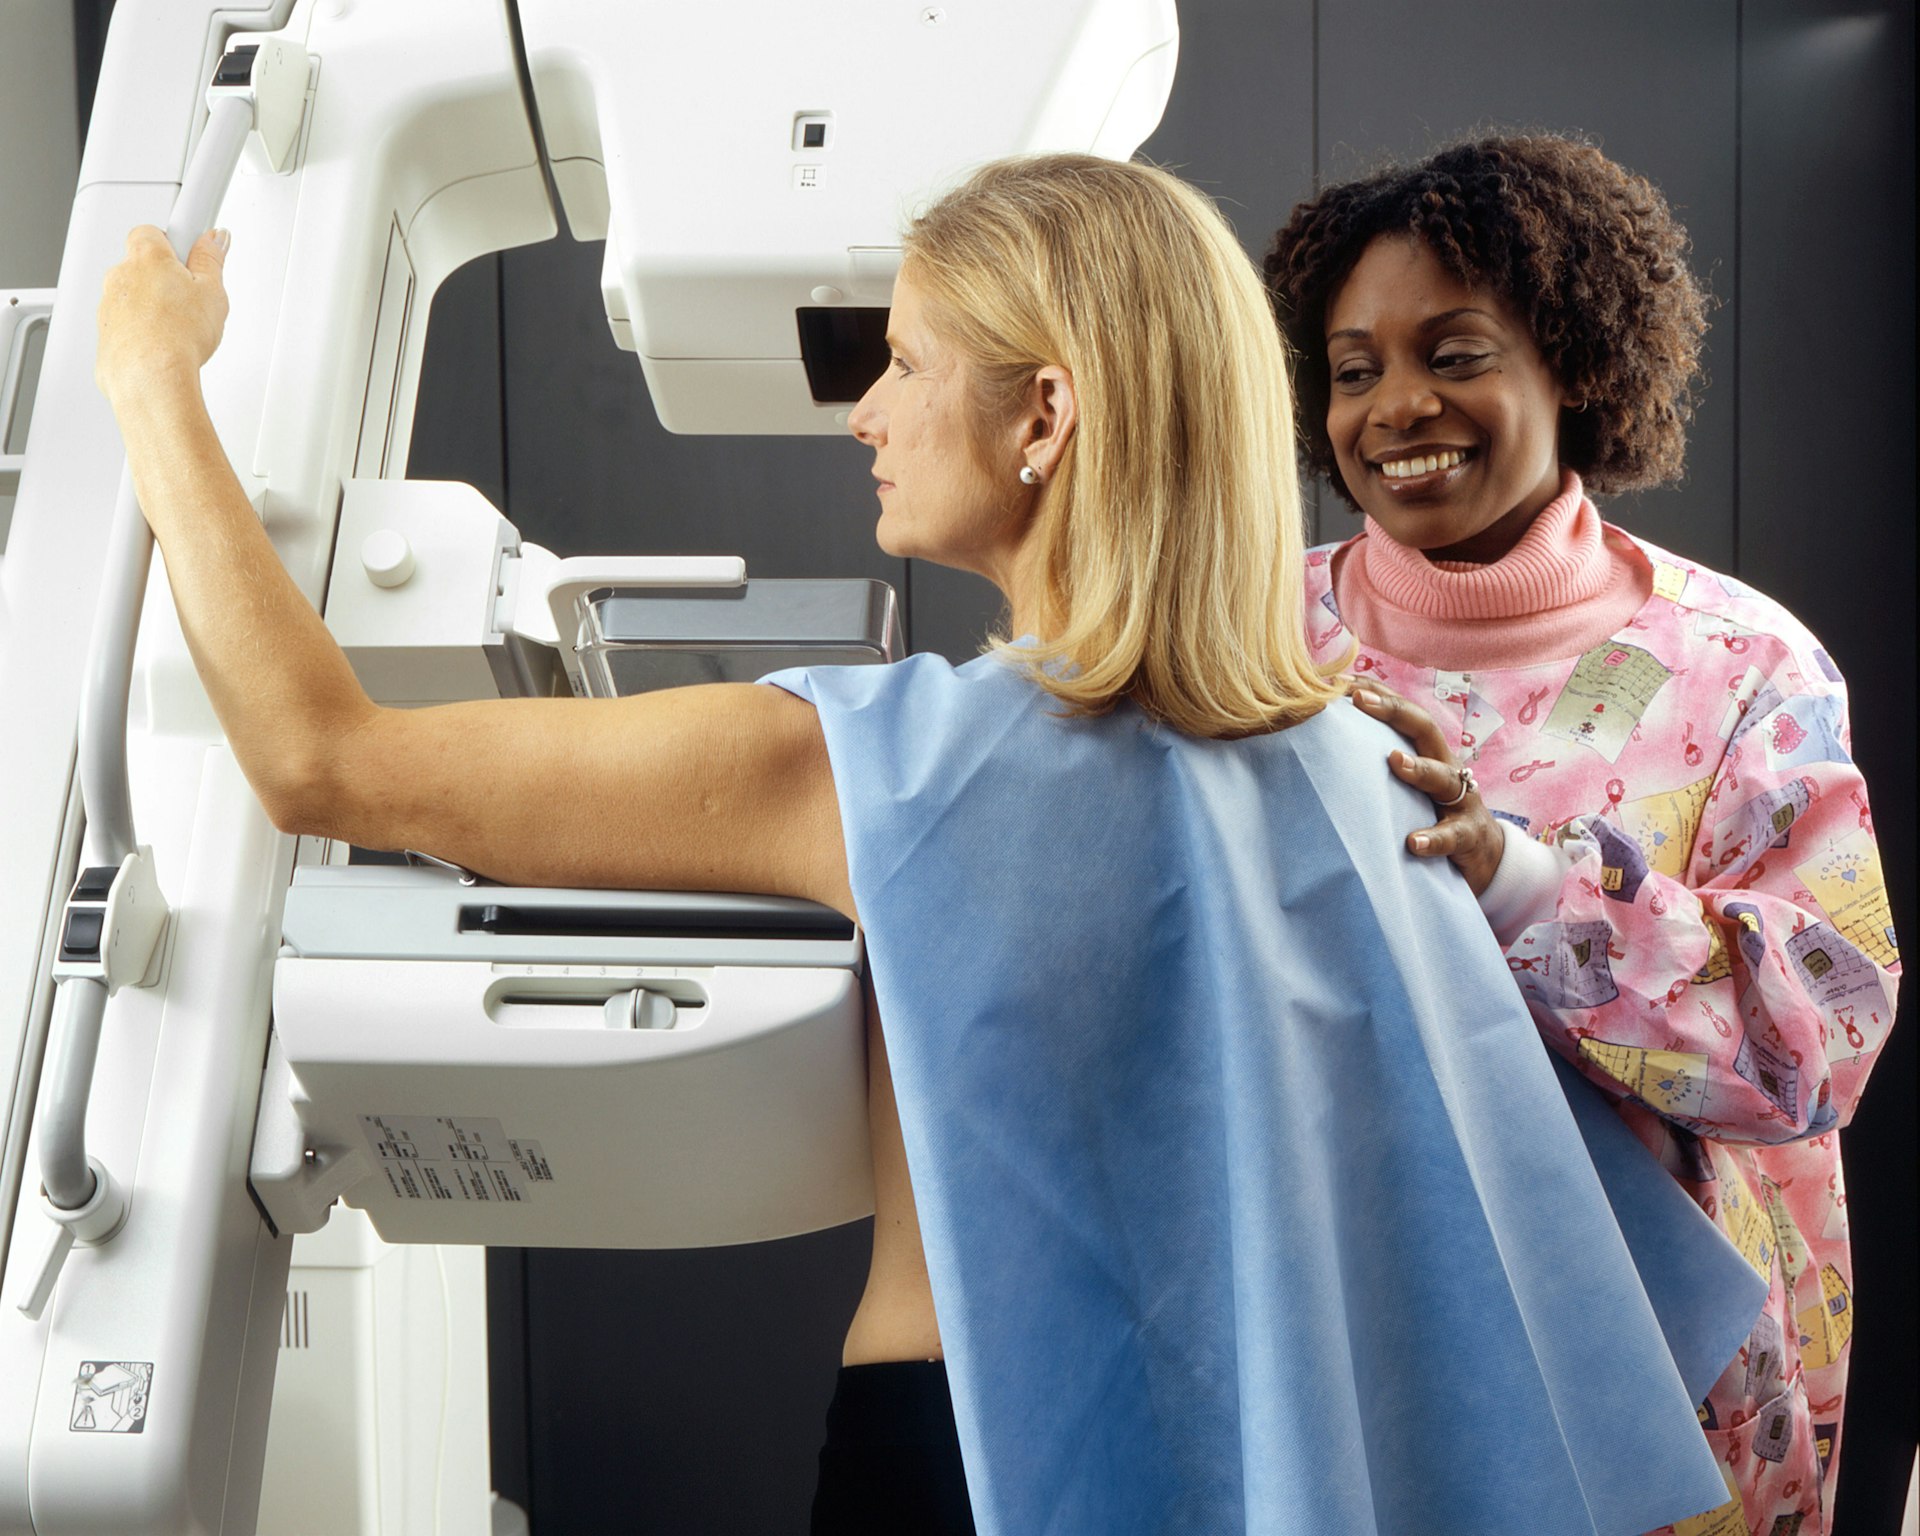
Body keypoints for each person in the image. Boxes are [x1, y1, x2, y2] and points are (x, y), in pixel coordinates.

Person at [98, 153, 1744, 1536]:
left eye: (901, 361)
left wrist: (154, 386)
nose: (866, 412)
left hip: (961, 1462)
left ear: (1046, 411)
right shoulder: (1367, 761)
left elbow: (323, 760)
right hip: (1279, 1468)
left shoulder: (881, 762)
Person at [1265, 132, 1900, 1536]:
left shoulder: (1739, 663)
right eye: (1354, 367)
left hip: (1659, 1399)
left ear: (1576, 360)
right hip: (1327, 1347)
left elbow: (1820, 1038)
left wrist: (1520, 886)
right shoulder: (1248, 636)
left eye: (1456, 350)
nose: (1397, 405)